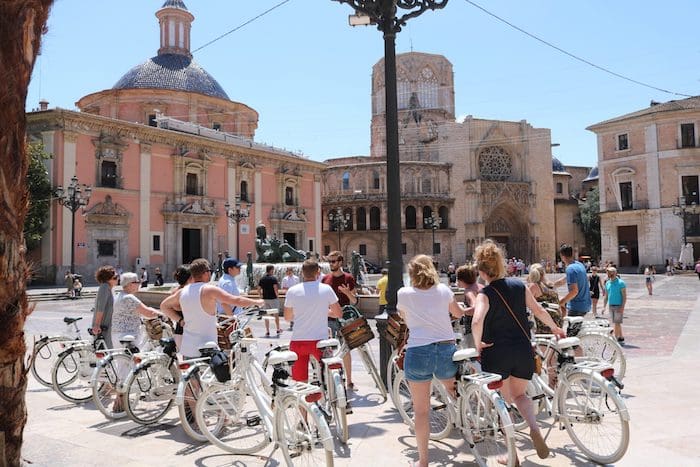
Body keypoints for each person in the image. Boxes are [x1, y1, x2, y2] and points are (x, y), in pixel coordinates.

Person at [472, 240, 565, 466]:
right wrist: (555, 327)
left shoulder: (486, 292)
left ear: (482, 272)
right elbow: (539, 310)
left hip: (497, 353)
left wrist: (477, 345)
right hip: (523, 349)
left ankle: (512, 454)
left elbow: (476, 320)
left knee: (502, 404)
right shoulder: (519, 286)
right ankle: (534, 428)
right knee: (520, 396)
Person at [397, 254, 464, 467]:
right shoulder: (444, 290)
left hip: (418, 351)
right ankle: (471, 422)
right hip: (445, 349)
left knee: (421, 411)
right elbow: (457, 313)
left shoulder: (404, 293)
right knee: (455, 391)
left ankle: (423, 461)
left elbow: (403, 317)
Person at [159, 258, 264, 358]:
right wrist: (257, 302)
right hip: (207, 347)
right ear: (205, 273)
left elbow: (163, 306)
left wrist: (180, 320)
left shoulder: (182, 292)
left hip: (188, 347)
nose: (210, 273)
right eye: (209, 270)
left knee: (192, 376)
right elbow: (236, 300)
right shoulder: (209, 290)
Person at [283, 259, 343, 382]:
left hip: (298, 341)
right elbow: (338, 314)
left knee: (300, 382)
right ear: (318, 272)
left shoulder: (292, 291)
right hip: (320, 342)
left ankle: (305, 399)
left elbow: (287, 317)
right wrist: (322, 311)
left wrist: (302, 313)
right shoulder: (326, 289)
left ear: (302, 273)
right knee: (328, 376)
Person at [322, 251, 358, 390]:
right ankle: (329, 380)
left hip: (345, 320)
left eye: (334, 261)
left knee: (346, 350)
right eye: (329, 261)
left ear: (340, 262)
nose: (331, 264)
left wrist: (347, 293)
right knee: (327, 350)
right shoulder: (325, 279)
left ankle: (349, 381)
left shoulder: (348, 278)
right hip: (329, 319)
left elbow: (354, 301)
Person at [112, 272, 161, 345]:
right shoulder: (129, 298)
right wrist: (163, 315)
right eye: (137, 282)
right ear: (130, 284)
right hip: (130, 335)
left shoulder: (118, 295)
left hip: (117, 335)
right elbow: (148, 313)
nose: (139, 284)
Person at [553, 243, 591, 317]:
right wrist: (550, 285)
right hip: (585, 304)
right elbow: (563, 280)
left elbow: (574, 291)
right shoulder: (579, 265)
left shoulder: (570, 269)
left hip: (577, 307)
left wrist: (561, 302)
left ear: (562, 256)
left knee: (572, 328)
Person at [526, 263, 562, 334]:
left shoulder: (534, 286)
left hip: (546, 321)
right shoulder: (550, 285)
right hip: (557, 319)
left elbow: (525, 303)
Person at [455, 262, 482, 348]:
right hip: (486, 329)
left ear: (462, 279)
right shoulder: (480, 287)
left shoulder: (469, 292)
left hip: (473, 331)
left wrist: (461, 311)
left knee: (474, 357)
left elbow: (475, 309)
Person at [91, 265, 119, 348]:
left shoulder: (109, 288)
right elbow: (100, 308)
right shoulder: (104, 287)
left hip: (107, 325)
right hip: (103, 326)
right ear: (108, 279)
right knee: (105, 351)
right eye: (115, 277)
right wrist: (97, 325)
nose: (117, 279)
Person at [170, 264, 193, 350]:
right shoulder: (187, 293)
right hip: (189, 331)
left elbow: (173, 308)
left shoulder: (174, 292)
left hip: (179, 330)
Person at [603, 267, 627, 344]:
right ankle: (621, 337)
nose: (608, 274)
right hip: (611, 305)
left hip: (618, 305)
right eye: (607, 272)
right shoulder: (607, 283)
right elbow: (606, 296)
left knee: (616, 323)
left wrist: (622, 307)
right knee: (616, 322)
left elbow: (624, 296)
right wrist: (604, 307)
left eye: (610, 272)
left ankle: (615, 339)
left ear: (614, 273)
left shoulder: (621, 283)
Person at [258, 264, 282, 336]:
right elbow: (275, 288)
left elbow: (258, 289)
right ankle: (278, 329)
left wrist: (261, 296)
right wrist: (277, 296)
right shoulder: (273, 278)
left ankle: (267, 331)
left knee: (266, 315)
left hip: (265, 299)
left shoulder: (262, 279)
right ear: (271, 270)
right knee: (276, 315)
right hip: (273, 298)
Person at [280, 266, 300, 330]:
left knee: (296, 309)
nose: (288, 272)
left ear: (292, 271)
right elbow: (283, 287)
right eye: (287, 271)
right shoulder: (285, 279)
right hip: (288, 295)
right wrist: (290, 289)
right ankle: (291, 322)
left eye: (290, 271)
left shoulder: (296, 278)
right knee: (290, 309)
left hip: (296, 296)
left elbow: (298, 286)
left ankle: (296, 321)